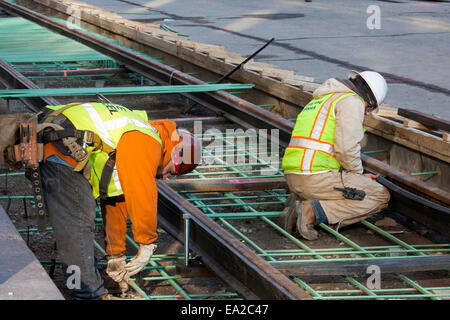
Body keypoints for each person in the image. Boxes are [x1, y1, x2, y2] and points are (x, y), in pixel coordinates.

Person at [37, 101, 201, 299]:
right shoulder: (147, 139)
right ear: (177, 152)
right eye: (172, 171)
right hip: (61, 144)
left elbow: (116, 201)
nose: (165, 177)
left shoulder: (138, 133)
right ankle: (90, 294)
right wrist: (147, 242)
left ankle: (86, 284)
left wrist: (116, 257)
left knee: (75, 221)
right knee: (77, 222)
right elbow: (140, 188)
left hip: (60, 139)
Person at [280, 70, 391, 240]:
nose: (366, 113)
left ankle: (296, 205)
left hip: (294, 176)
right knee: (379, 195)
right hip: (314, 177)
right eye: (369, 108)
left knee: (359, 188)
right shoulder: (351, 102)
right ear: (368, 100)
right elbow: (346, 149)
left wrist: (355, 181)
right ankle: (311, 212)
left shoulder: (323, 99)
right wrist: (357, 178)